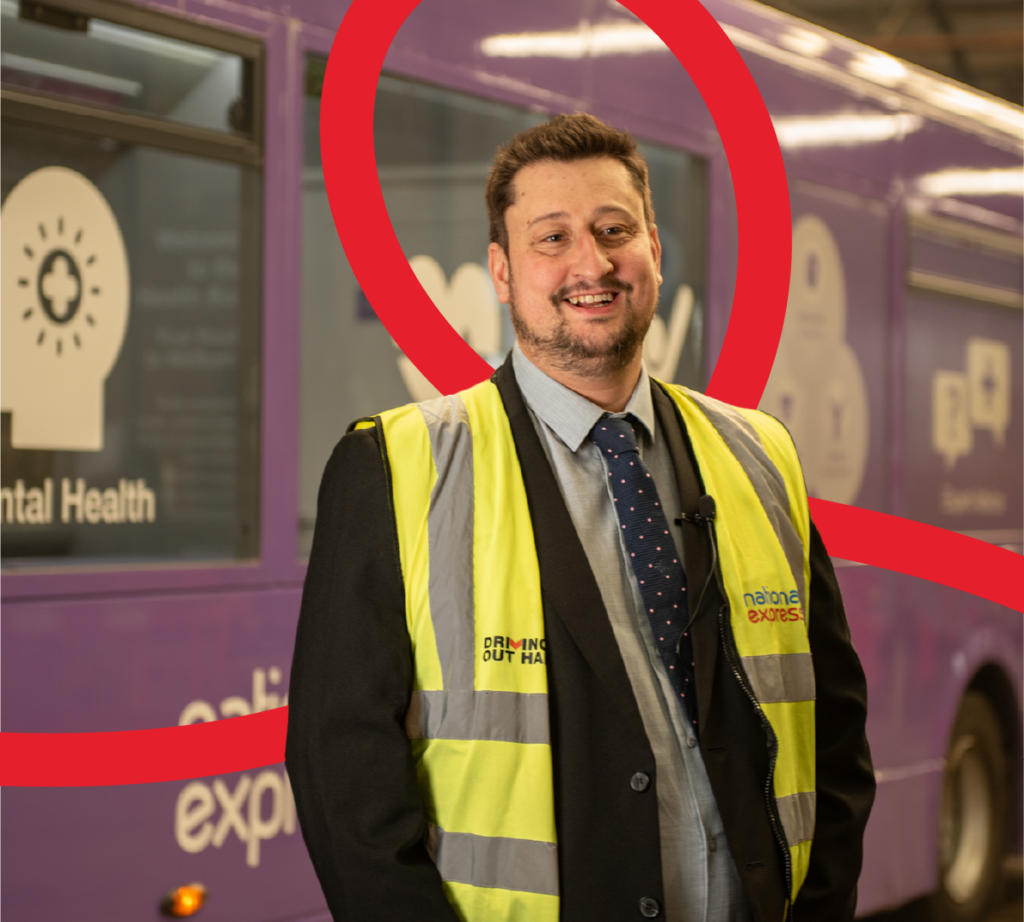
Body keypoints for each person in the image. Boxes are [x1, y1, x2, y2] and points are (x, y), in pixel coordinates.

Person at [286, 113, 875, 922]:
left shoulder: (760, 454)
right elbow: (342, 775)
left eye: (614, 230)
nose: (591, 263)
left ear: (653, 249)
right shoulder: (394, 467)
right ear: (501, 271)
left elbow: (835, 729)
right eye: (552, 238)